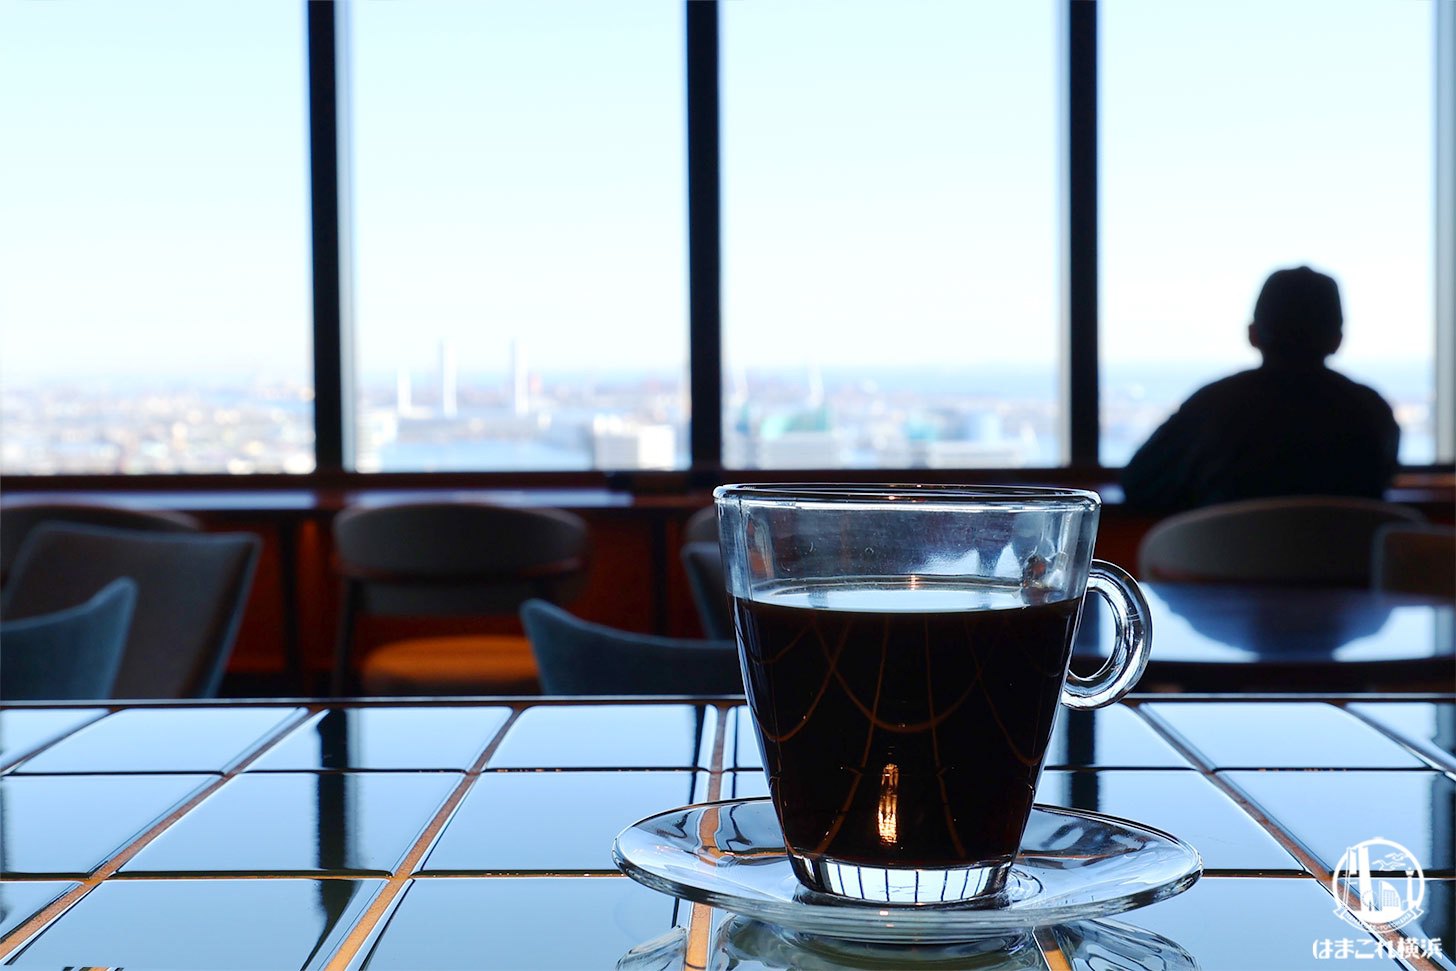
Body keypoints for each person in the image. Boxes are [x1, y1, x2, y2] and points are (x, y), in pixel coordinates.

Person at [1120, 265, 1400, 512]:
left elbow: (1139, 483)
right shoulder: (1373, 412)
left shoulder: (1211, 406)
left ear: (1253, 334)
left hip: (1218, 569)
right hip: (1347, 570)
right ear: (1337, 340)